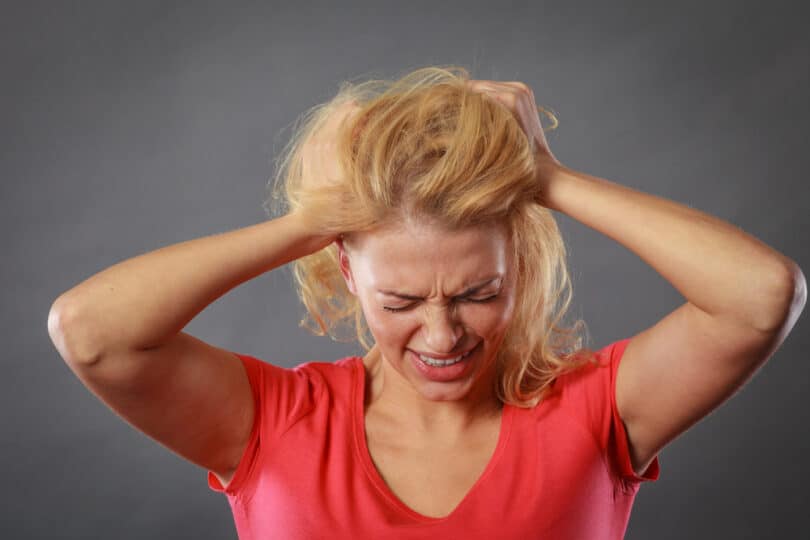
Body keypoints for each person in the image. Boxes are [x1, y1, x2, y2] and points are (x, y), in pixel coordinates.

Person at [47, 66, 805, 539]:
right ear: (345, 270)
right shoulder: (274, 422)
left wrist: (547, 179)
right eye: (402, 298)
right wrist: (311, 220)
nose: (442, 333)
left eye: (480, 293)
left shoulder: (598, 411)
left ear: (521, 266)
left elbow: (760, 297)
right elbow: (91, 333)